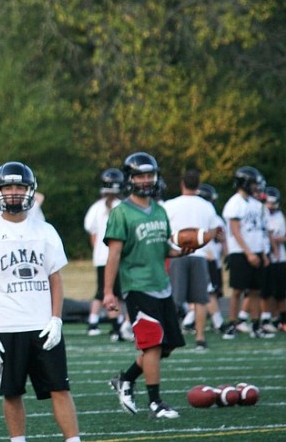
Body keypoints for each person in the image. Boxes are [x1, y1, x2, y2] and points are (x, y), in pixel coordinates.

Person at [0, 162, 82, 442]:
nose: (14, 193)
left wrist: (56, 319)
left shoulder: (46, 231)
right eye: (8, 187)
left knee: (60, 388)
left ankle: (73, 440)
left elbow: (55, 279)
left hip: (43, 324)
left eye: (20, 187)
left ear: (30, 191)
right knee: (11, 391)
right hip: (7, 326)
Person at [103, 152, 188, 420]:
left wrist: (183, 250)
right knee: (151, 345)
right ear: (130, 179)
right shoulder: (122, 212)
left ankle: (126, 378)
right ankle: (156, 403)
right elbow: (114, 255)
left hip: (161, 284)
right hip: (137, 286)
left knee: (167, 346)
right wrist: (108, 292)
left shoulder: (160, 210)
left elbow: (164, 249)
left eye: (149, 174)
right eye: (140, 175)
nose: (146, 180)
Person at [163, 168, 223, 351]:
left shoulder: (170, 204)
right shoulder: (206, 206)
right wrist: (201, 239)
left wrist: (175, 241)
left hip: (177, 254)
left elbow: (162, 228)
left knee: (173, 298)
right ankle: (200, 337)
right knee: (200, 299)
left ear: (182, 184)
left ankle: (170, 335)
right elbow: (216, 231)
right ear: (198, 185)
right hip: (199, 255)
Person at [221, 165, 274, 339]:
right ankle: (232, 324)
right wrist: (248, 253)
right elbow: (235, 231)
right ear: (243, 183)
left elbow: (260, 230)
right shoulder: (235, 203)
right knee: (237, 291)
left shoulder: (256, 204)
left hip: (257, 252)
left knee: (256, 291)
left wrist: (263, 253)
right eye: (252, 184)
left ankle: (256, 325)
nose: (255, 187)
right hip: (241, 253)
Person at [83, 168, 128, 340]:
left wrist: (98, 252)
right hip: (116, 257)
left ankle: (98, 322)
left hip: (101, 256)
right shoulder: (123, 207)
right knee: (114, 293)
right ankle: (117, 326)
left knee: (104, 291)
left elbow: (92, 234)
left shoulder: (96, 208)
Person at [262, 187, 286, 332]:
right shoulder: (261, 214)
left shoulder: (280, 215)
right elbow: (266, 234)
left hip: (280, 259)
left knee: (281, 292)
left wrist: (280, 240)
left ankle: (282, 321)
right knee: (268, 291)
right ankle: (268, 319)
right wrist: (274, 245)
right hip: (268, 257)